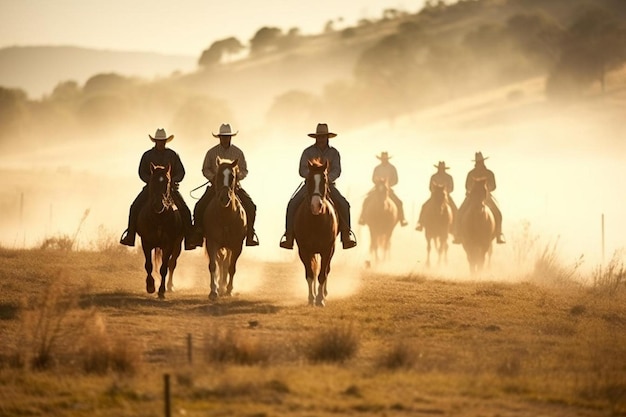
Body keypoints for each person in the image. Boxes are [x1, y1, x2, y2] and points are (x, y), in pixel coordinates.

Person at [279, 123, 357, 250]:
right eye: (319, 137)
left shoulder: (334, 153)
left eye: (323, 137)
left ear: (327, 137)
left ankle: (346, 236)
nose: (321, 139)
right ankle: (289, 236)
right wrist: (312, 177)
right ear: (316, 138)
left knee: (344, 204)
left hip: (327, 185)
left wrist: (326, 179)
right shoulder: (307, 152)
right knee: (292, 204)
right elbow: (302, 169)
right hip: (310, 185)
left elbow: (337, 170)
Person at [119, 128, 195, 250]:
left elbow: (181, 172)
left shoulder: (173, 155)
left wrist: (173, 180)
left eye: (163, 141)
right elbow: (141, 172)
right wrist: (150, 181)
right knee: (134, 207)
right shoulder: (147, 155)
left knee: (185, 209)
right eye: (159, 141)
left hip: (169, 189)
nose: (161, 143)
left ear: (165, 141)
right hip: (151, 188)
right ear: (155, 141)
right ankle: (131, 235)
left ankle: (189, 239)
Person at [188, 123, 259, 247]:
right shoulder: (211, 153)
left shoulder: (238, 153)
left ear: (231, 137)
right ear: (219, 137)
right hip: (216, 187)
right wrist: (213, 177)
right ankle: (198, 233)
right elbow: (205, 169)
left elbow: (244, 170)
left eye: (227, 136)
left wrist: (236, 177)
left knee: (250, 206)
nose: (225, 139)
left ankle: (250, 233)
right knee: (199, 206)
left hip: (234, 187)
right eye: (223, 136)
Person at [453, 152, 506, 244]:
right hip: (472, 197)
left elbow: (493, 186)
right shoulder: (471, 173)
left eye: (480, 162)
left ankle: (499, 234)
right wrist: (473, 189)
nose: (479, 164)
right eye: (478, 162)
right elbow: (467, 186)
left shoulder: (489, 173)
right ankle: (458, 234)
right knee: (459, 212)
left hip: (486, 197)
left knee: (498, 213)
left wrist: (485, 189)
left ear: (483, 162)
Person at [358, 151, 408, 227]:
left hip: (388, 189)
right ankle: (362, 218)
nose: (384, 160)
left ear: (387, 159)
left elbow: (396, 180)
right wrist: (378, 183)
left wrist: (388, 185)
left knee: (399, 202)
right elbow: (373, 178)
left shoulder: (392, 168)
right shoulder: (377, 168)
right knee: (366, 200)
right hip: (378, 189)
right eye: (383, 159)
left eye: (385, 159)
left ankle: (402, 219)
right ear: (381, 159)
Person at [415, 161, 458, 232]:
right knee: (424, 206)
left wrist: (445, 192)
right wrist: (435, 192)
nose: (441, 170)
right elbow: (430, 187)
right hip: (434, 197)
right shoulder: (433, 177)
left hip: (445, 197)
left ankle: (456, 228)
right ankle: (421, 223)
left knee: (455, 210)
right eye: (440, 168)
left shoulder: (449, 177)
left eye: (442, 169)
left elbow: (451, 188)